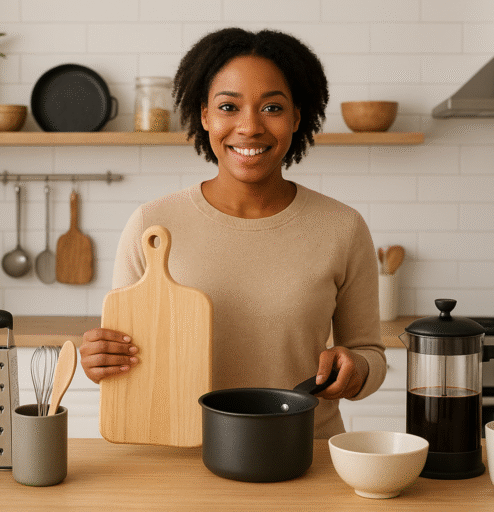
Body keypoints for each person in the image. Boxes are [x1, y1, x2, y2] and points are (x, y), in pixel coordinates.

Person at [80, 27, 386, 439]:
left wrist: (357, 368)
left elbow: (370, 353)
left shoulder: (342, 227)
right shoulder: (151, 225)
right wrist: (102, 361)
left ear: (297, 117)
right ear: (204, 114)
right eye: (229, 106)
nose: (249, 127)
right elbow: (129, 359)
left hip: (302, 453)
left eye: (272, 108)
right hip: (182, 455)